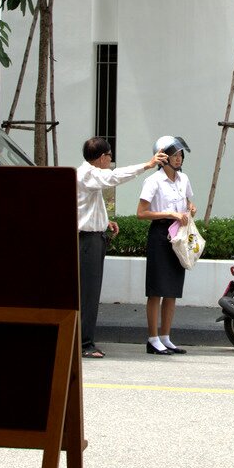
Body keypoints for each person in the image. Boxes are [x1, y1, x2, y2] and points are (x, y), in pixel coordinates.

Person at [76, 138, 168, 358]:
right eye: (109, 156)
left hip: (93, 237)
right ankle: (84, 344)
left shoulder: (88, 175)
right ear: (101, 157)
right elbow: (115, 177)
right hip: (87, 241)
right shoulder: (89, 174)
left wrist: (104, 221)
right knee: (88, 293)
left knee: (89, 291)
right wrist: (147, 165)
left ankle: (83, 341)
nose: (111, 160)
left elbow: (84, 206)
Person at [136, 135, 197, 355]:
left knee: (171, 289)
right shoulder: (153, 181)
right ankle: (152, 339)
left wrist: (190, 209)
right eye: (174, 154)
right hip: (160, 234)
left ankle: (165, 336)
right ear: (163, 158)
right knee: (156, 290)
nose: (178, 158)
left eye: (180, 154)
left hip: (178, 235)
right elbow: (141, 213)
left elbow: (190, 201)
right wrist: (169, 213)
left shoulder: (184, 179)